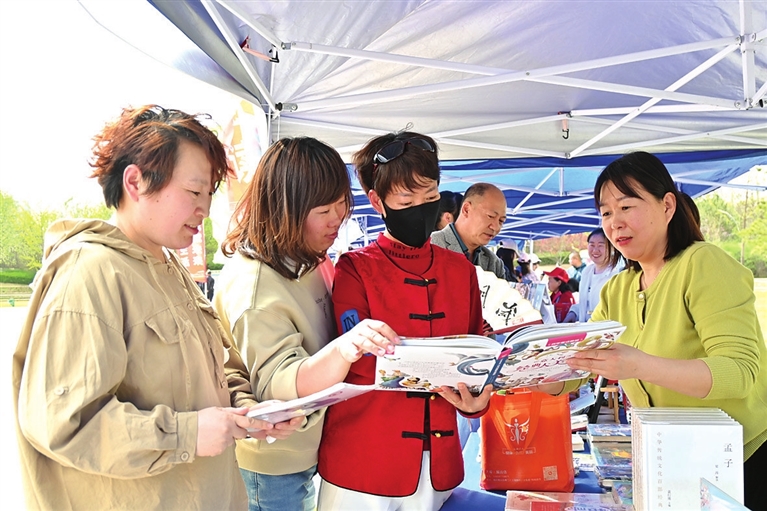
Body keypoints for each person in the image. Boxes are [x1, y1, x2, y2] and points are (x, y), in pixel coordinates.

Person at [12, 105, 301, 510]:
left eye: (209, 194)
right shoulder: (90, 272)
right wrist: (185, 434)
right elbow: (63, 422)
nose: (204, 209)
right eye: (194, 192)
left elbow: (209, 374)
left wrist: (248, 411)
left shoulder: (168, 266)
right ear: (136, 182)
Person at [565, 151, 767, 510]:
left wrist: (638, 365)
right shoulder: (618, 289)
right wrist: (515, 378)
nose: (615, 223)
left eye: (627, 207)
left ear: (667, 206)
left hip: (743, 463)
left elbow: (739, 372)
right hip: (676, 463)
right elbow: (578, 364)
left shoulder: (703, 263)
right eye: (606, 213)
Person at [214, 137, 398, 511]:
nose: (337, 218)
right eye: (323, 210)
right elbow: (281, 388)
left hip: (310, 448)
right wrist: (346, 348)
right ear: (285, 210)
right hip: (271, 466)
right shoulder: (255, 288)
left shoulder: (310, 257)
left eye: (341, 203)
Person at [318, 132, 492, 511]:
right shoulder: (355, 269)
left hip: (439, 463)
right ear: (377, 202)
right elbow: (357, 364)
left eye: (430, 197)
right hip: (363, 464)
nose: (421, 209)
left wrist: (476, 400)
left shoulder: (461, 270)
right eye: (406, 201)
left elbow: (476, 355)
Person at [431, 182, 508, 279]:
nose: (496, 227)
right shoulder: (431, 247)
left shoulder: (494, 264)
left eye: (501, 221)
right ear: (466, 209)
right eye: (490, 216)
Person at [563, 228, 623, 323]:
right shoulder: (587, 271)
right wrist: (573, 313)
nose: (595, 250)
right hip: (587, 328)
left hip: (606, 328)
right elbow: (585, 304)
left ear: (612, 247)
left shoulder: (617, 274)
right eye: (592, 245)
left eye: (600, 245)